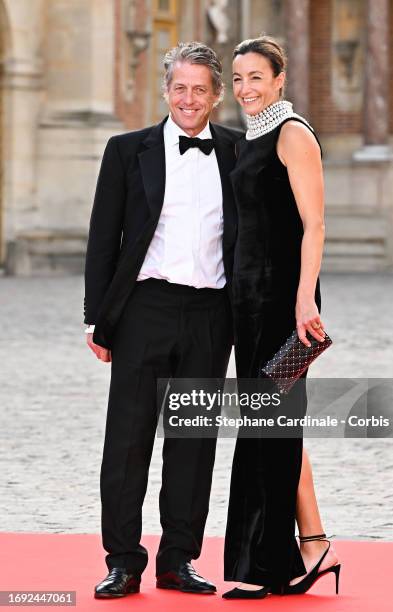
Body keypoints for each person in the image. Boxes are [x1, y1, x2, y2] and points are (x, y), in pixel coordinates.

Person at [83, 41, 242, 598]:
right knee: (127, 442)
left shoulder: (239, 151)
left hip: (210, 314)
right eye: (180, 88)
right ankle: (123, 561)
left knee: (193, 445)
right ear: (166, 90)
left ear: (217, 96)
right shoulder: (127, 150)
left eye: (201, 89)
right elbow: (103, 240)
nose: (189, 99)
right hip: (143, 311)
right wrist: (95, 321)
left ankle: (179, 559)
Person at [222, 36, 341, 599]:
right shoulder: (251, 139)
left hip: (283, 305)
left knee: (269, 427)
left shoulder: (293, 134)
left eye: (256, 78)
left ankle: (267, 566)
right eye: (239, 78)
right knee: (273, 424)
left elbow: (313, 225)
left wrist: (304, 300)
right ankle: (313, 545)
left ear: (279, 81)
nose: (246, 88)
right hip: (247, 301)